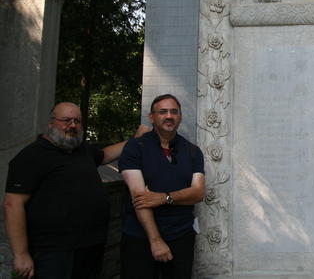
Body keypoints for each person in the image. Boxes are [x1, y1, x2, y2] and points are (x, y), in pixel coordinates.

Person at [4, 102, 139, 279]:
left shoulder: (81, 149)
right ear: (51, 123)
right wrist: (21, 254)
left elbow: (105, 154)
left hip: (90, 248)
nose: (73, 125)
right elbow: (12, 204)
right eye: (66, 120)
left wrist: (136, 140)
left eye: (77, 121)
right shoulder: (32, 156)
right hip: (52, 252)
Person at [119, 94, 205, 279]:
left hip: (180, 236)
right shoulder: (135, 147)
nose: (169, 116)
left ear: (180, 116)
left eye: (174, 112)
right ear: (152, 117)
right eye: (163, 112)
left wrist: (163, 198)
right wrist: (155, 240)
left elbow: (198, 193)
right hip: (140, 237)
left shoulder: (192, 151)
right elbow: (140, 198)